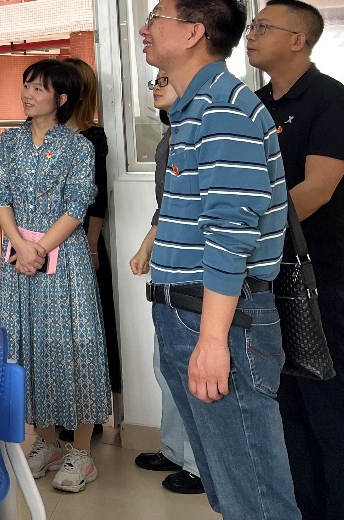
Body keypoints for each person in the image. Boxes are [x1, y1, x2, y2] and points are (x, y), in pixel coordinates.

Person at [141, 0, 298, 520]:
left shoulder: (224, 110)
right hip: (188, 313)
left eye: (156, 18)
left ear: (193, 32)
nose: (144, 29)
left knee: (254, 496)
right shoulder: (195, 108)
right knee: (231, 489)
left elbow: (231, 233)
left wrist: (211, 340)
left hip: (216, 319)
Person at [246, 0, 344, 520]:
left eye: (263, 26)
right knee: (284, 406)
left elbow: (316, 191)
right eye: (252, 26)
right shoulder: (254, 105)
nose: (251, 34)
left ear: (298, 40)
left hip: (316, 276)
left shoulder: (330, 100)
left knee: (328, 405)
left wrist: (245, 234)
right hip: (264, 275)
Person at [0, 58, 109, 493]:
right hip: (18, 259)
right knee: (27, 347)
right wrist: (20, 246)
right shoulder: (8, 141)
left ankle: (81, 452)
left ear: (61, 99)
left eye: (38, 88)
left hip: (64, 261)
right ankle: (45, 442)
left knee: (74, 347)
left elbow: (77, 207)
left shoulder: (79, 147)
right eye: (26, 85)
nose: (27, 93)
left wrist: (38, 248)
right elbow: (0, 195)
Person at [129, 73, 205, 496]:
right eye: (154, 80)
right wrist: (147, 246)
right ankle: (176, 451)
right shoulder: (168, 138)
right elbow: (168, 206)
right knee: (168, 363)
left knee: (193, 364)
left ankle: (200, 465)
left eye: (165, 80)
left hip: (197, 265)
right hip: (169, 261)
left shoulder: (202, 134)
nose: (156, 86)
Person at [62, 57, 122, 401]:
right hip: (39, 243)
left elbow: (96, 199)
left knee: (88, 323)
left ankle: (90, 405)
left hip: (81, 238)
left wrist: (92, 244)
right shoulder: (30, 132)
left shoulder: (93, 137)